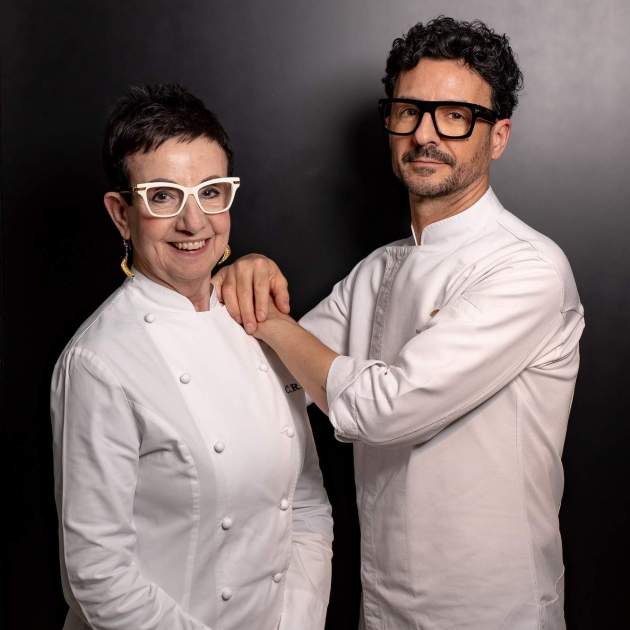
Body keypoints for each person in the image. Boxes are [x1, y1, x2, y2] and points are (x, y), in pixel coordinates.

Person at [214, 16, 584, 630]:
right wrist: (247, 272)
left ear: (497, 137)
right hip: (384, 603)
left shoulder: (528, 268)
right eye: (409, 111)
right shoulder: (377, 270)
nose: (424, 134)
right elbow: (273, 374)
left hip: (496, 609)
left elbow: (383, 409)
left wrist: (273, 323)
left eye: (455, 116)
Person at [50, 84, 333, 630]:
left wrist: (297, 621)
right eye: (162, 197)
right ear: (121, 214)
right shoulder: (98, 362)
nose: (194, 222)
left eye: (210, 192)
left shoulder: (258, 322)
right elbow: (99, 575)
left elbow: (303, 503)